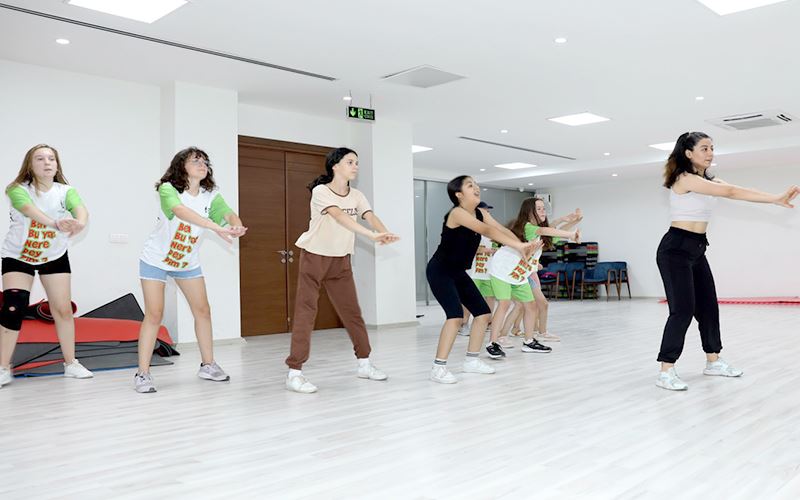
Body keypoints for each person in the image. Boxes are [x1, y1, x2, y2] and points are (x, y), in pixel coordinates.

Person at [655, 131, 799, 391]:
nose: (710, 153)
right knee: (683, 310)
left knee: (709, 307)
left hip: (697, 248)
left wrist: (775, 198)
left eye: (712, 148)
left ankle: (713, 361)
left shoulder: (709, 181)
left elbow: (740, 190)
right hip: (675, 249)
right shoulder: (684, 178)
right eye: (704, 148)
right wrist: (774, 199)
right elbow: (731, 192)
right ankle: (666, 369)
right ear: (688, 153)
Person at [285, 147, 399, 394]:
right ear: (335, 166)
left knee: (352, 312)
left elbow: (370, 216)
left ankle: (364, 363)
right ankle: (294, 373)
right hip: (314, 257)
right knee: (306, 312)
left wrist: (384, 232)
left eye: (357, 162)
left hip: (341, 260)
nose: (355, 166)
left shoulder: (357, 195)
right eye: (350, 162)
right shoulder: (321, 191)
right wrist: (371, 235)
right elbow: (339, 216)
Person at [135, 147, 246, 393]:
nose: (202, 164)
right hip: (156, 259)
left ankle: (208, 365)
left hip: (186, 262)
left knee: (203, 311)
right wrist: (215, 227)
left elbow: (228, 214)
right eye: (196, 160)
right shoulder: (168, 189)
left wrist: (236, 226)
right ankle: (142, 373)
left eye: (205, 161)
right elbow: (181, 212)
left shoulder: (210, 195)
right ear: (181, 166)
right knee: (154, 314)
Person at [426, 175, 537, 384]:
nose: (476, 187)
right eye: (470, 185)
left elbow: (501, 229)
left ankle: (471, 361)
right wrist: (519, 246)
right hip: (440, 270)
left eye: (476, 184)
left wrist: (522, 245)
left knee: (483, 314)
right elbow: (487, 230)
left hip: (458, 272)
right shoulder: (457, 213)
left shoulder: (480, 213)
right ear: (459, 194)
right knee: (455, 317)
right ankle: (438, 367)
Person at [1, 144, 93, 388]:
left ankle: (71, 363)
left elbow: (81, 210)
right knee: (13, 307)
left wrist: (79, 223)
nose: (47, 162)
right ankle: (2, 368)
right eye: (40, 159)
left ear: (57, 164)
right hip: (18, 255)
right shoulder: (17, 189)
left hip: (53, 255)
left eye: (51, 158)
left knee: (62, 309)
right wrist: (55, 223)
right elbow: (29, 210)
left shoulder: (66, 191)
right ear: (30, 166)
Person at [519, 199, 581, 342]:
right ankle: (506, 335)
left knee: (535, 305)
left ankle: (537, 332)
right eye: (539, 209)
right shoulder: (528, 227)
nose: (543, 212)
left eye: (543, 208)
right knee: (523, 306)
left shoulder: (537, 230)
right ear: (529, 211)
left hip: (527, 273)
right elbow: (546, 230)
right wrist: (571, 234)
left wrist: (571, 221)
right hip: (520, 274)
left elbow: (552, 232)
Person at [459, 201, 497, 336]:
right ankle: (463, 324)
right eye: (485, 211)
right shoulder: (469, 228)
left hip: (488, 272)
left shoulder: (491, 231)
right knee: (469, 298)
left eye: (488, 212)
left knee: (490, 297)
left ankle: (488, 323)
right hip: (473, 272)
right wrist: (484, 250)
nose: (488, 214)